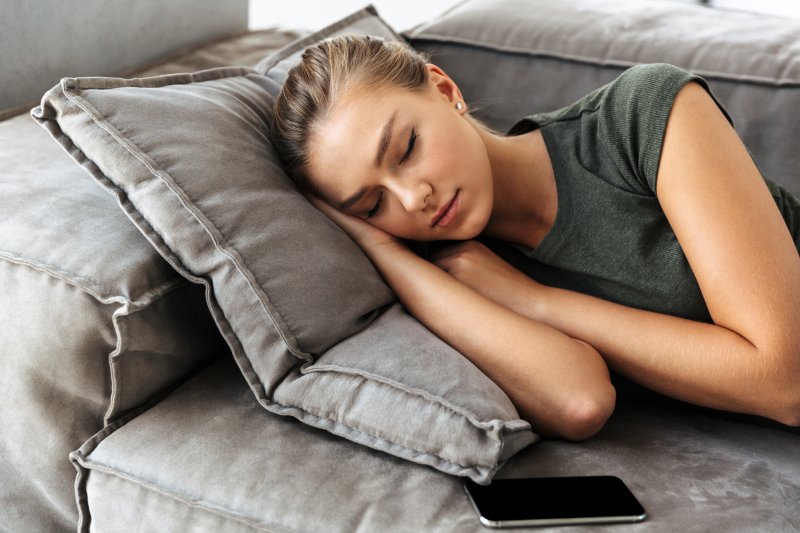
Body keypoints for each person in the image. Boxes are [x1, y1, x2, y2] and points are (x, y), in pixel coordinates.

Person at [270, 34, 800, 440]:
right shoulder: (461, 274)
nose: (413, 199)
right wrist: (384, 252)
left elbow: (787, 381)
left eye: (407, 148)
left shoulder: (641, 115)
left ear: (445, 90)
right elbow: (579, 402)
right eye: (372, 204)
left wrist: (534, 302)